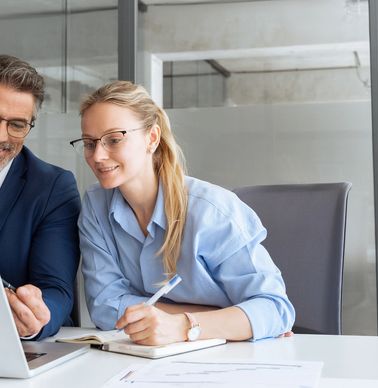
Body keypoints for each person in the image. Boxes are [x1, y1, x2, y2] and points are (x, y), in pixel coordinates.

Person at [72, 80, 295, 345]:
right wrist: (220, 318)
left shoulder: (210, 210)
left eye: (114, 139)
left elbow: (275, 309)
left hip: (231, 358)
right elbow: (106, 308)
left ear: (151, 138)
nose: (97, 155)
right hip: (150, 357)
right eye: (89, 142)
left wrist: (183, 326)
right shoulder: (96, 207)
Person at [0, 55, 81, 339]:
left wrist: (34, 320)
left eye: (17, 125)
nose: (2, 136)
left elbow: (56, 290)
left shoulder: (52, 188)